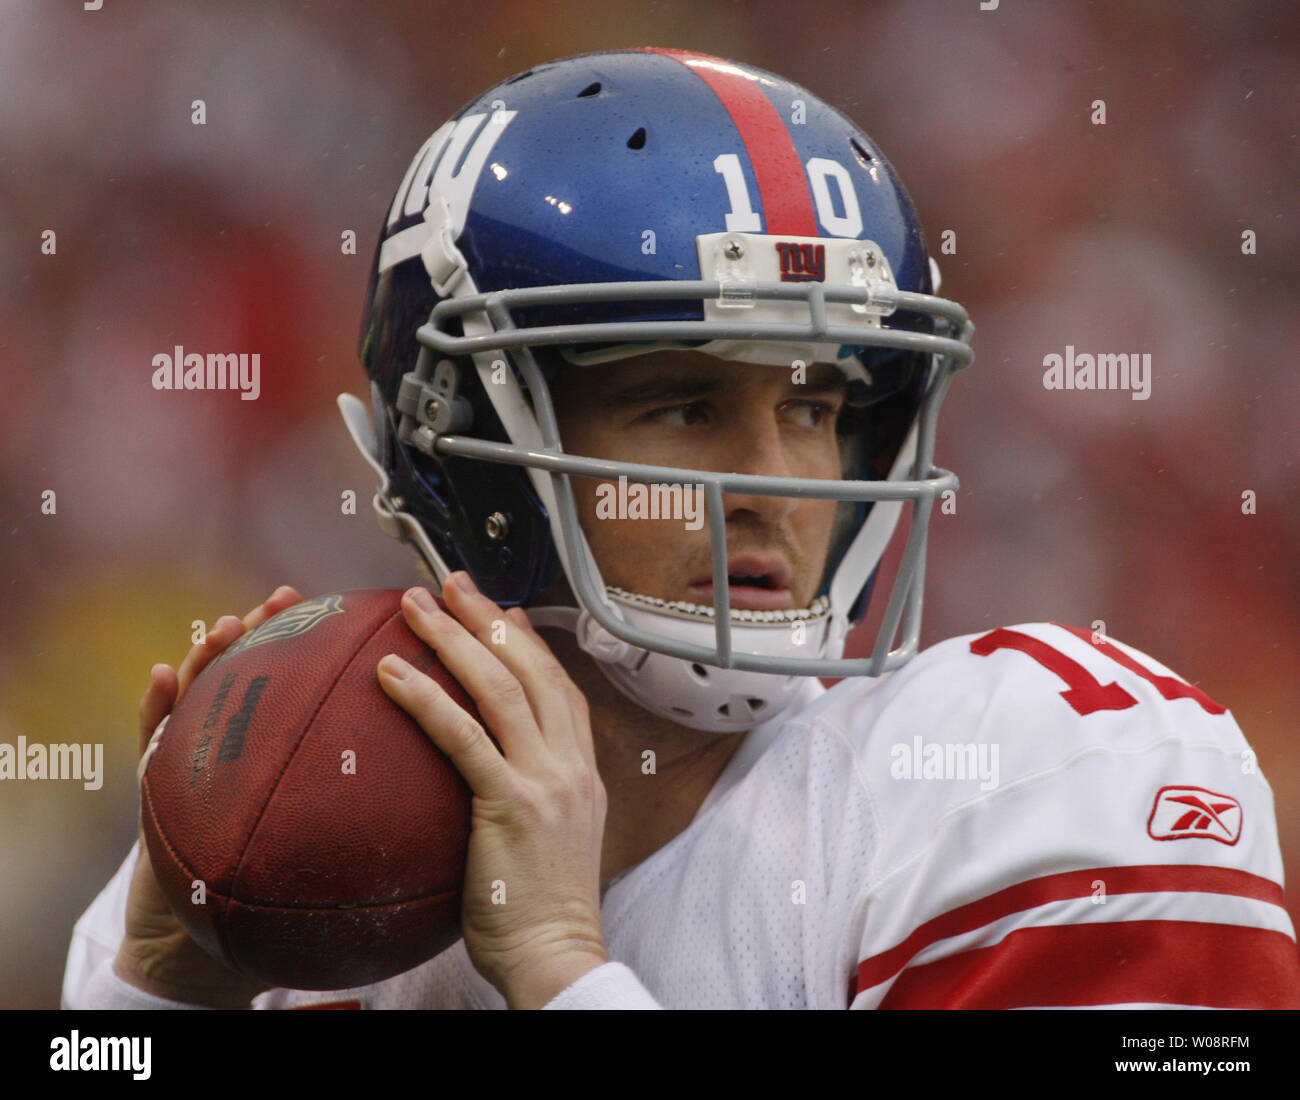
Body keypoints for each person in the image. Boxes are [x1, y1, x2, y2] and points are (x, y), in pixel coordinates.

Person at [64, 47, 1299, 1010]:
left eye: (813, 407)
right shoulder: (298, 852)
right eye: (687, 405)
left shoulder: (1031, 769)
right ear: (461, 440)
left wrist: (563, 965)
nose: (774, 482)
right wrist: (154, 990)